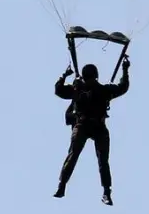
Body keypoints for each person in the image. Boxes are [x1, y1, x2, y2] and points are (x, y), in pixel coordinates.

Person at [54, 56, 130, 204]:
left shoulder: (78, 89)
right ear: (96, 76)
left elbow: (58, 90)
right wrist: (125, 69)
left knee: (74, 155)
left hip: (86, 126)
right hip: (95, 127)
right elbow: (123, 87)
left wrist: (64, 75)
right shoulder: (102, 89)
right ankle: (106, 192)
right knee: (101, 161)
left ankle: (62, 185)